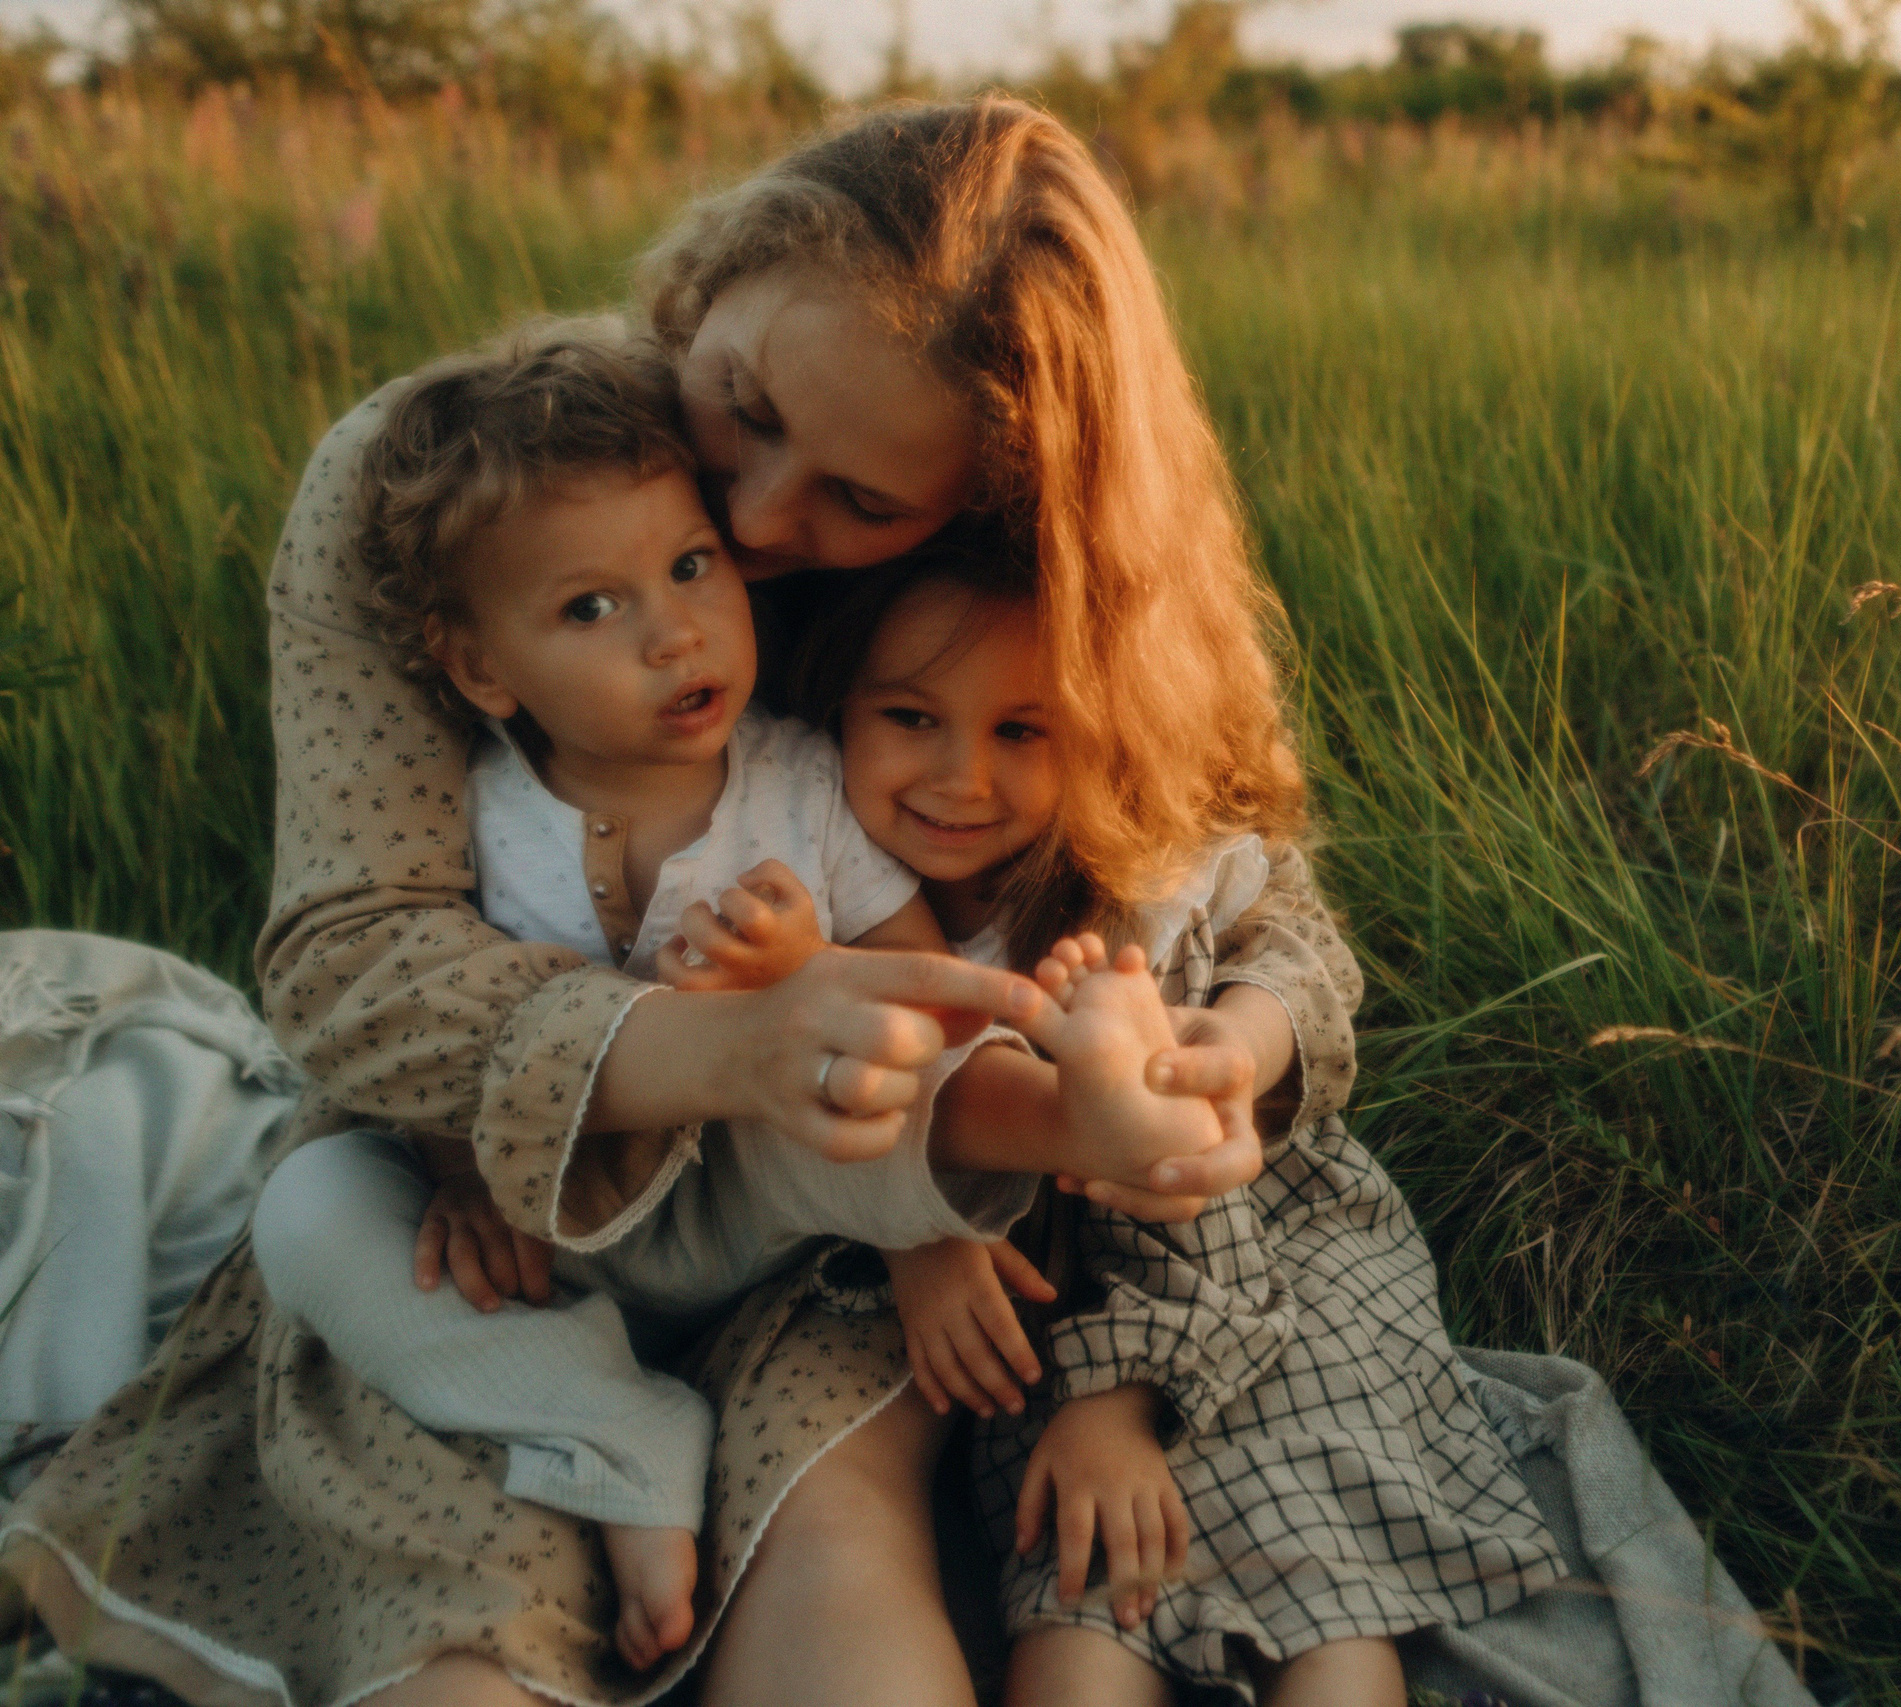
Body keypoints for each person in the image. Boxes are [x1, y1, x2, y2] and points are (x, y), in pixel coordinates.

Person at [0, 99, 1323, 1707]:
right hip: (489, 1188)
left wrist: (1212, 1058)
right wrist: (724, 1049)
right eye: (744, 408)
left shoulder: (1007, 588)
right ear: (714, 276)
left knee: (834, 1516)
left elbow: (1238, 887)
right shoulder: (465, 480)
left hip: (858, 1218)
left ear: (980, 500)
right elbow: (352, 961)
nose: (762, 524)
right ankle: (567, 1483)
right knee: (458, 1576)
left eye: (860, 504)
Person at [240, 321, 1239, 1675]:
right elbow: (433, 1017)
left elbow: (930, 991)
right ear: (482, 668)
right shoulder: (481, 814)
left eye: (692, 567)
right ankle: (613, 1430)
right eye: (590, 609)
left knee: (862, 1062)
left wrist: (920, 1226)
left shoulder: (798, 784)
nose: (673, 632)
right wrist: (452, 1167)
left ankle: (1087, 1111)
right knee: (306, 1209)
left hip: (762, 1198)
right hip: (549, 1239)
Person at [700, 549, 1568, 1707]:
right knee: (1088, 1599)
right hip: (1059, 1293)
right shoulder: (820, 897)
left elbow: (1301, 963)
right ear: (833, 712)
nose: (960, 776)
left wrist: (1238, 1049)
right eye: (910, 717)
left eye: (1024, 732)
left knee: (1314, 1573)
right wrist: (921, 1237)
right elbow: (833, 1114)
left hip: (1266, 1250)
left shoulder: (1136, 880)